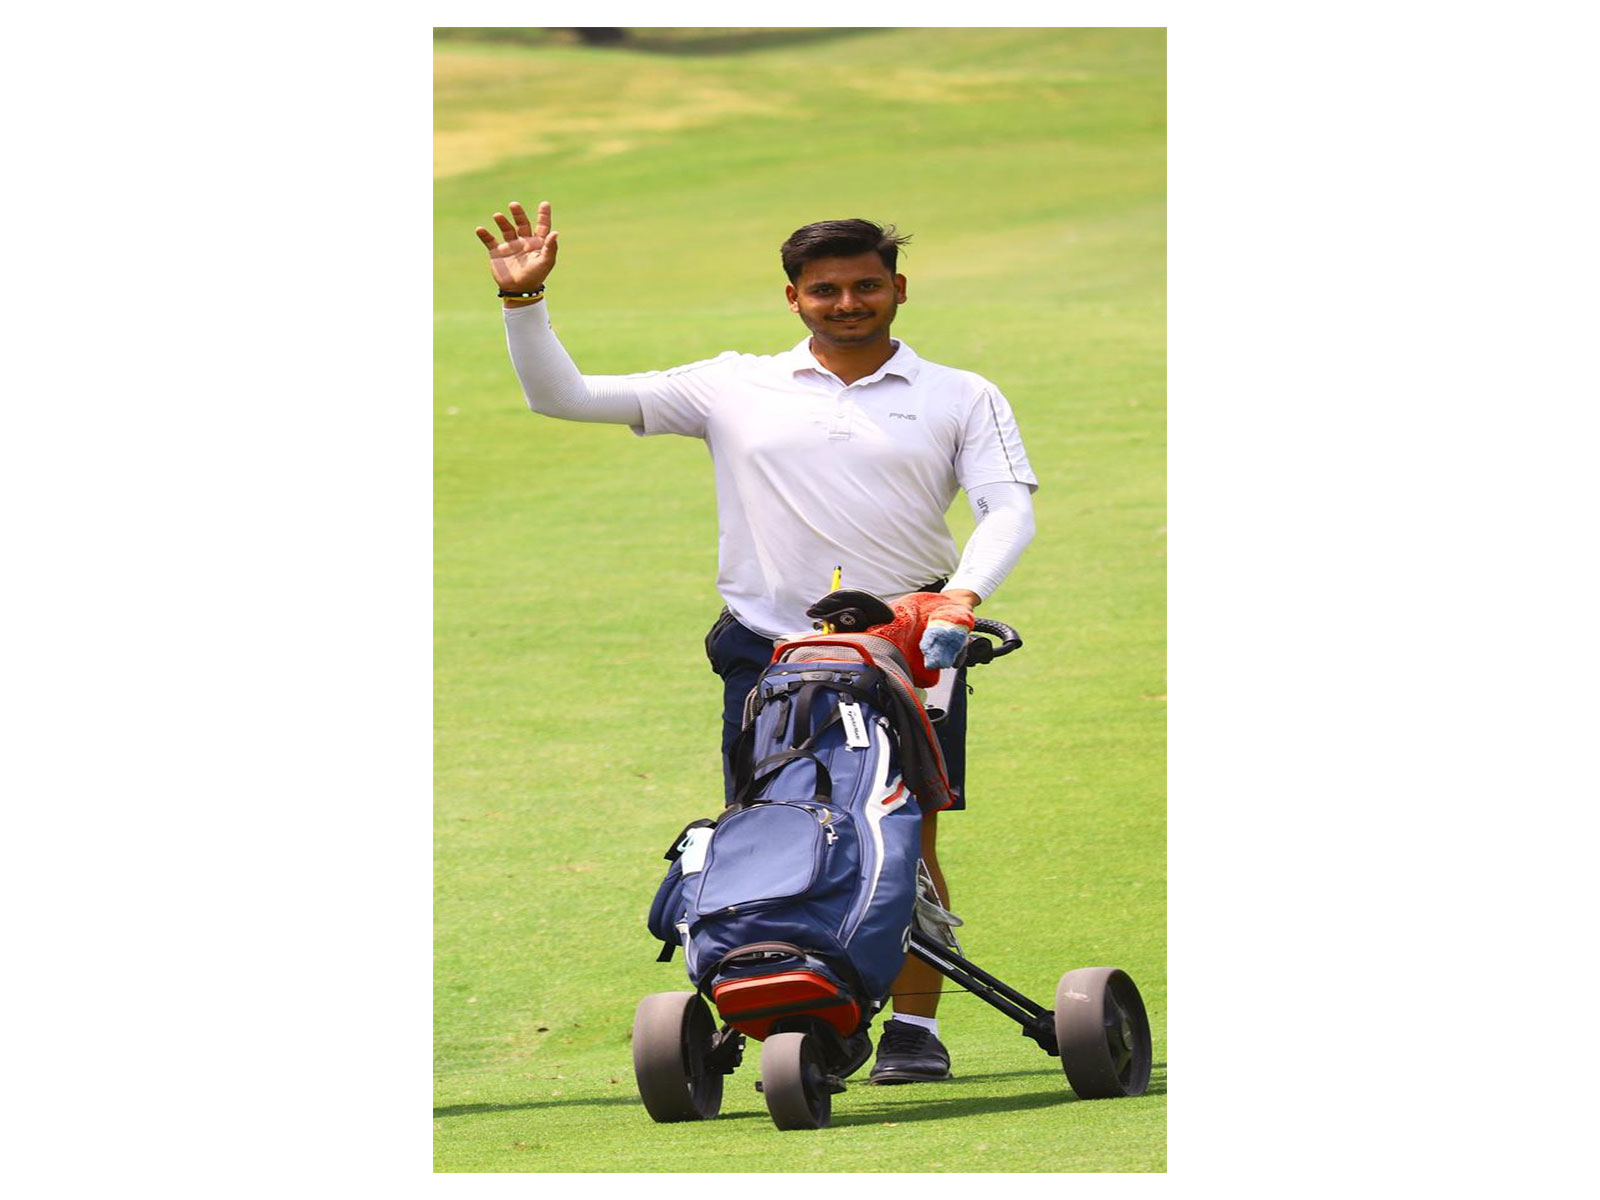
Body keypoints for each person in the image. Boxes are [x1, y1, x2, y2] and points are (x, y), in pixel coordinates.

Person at [475, 200, 1039, 1085]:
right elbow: (564, 397)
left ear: (897, 289)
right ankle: (793, 995)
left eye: (864, 286)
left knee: (908, 833)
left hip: (911, 648)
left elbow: (1007, 506)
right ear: (793, 297)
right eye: (826, 289)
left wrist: (960, 596)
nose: (846, 302)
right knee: (769, 826)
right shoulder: (732, 384)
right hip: (768, 653)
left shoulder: (959, 394)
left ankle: (917, 1029)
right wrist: (526, 300)